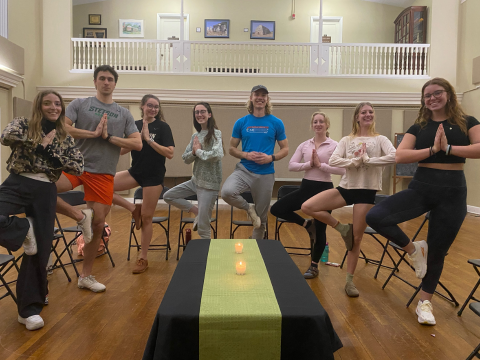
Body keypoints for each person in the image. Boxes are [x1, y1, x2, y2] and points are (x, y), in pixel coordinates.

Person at [366, 78, 480, 325]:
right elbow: (401, 155)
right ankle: (414, 249)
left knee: (438, 251)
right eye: (427, 95)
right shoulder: (419, 126)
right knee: (376, 216)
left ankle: (424, 303)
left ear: (448, 94)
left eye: (437, 93)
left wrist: (448, 148)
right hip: (422, 187)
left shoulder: (467, 122)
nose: (432, 98)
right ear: (423, 100)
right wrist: (432, 150)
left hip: (453, 191)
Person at [0, 90, 84, 330]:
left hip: (46, 189)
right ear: (39, 105)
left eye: (58, 104)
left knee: (39, 252)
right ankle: (24, 229)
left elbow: (78, 166)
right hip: (17, 182)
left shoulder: (64, 136)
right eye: (48, 103)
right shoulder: (23, 124)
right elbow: (6, 137)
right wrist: (37, 144)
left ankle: (28, 311)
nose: (53, 107)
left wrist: (48, 152)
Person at [56, 65, 142, 292]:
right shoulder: (80, 104)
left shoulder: (123, 113)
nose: (106, 82)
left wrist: (109, 137)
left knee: (97, 224)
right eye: (102, 78)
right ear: (95, 81)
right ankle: (76, 215)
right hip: (75, 166)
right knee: (42, 187)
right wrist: (92, 134)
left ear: (115, 84)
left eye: (110, 79)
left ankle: (86, 275)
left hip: (103, 173)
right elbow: (63, 128)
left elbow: (137, 143)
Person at [301, 102, 395, 296]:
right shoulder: (346, 140)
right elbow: (334, 160)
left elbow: (394, 156)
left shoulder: (381, 139)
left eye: (370, 112)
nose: (367, 115)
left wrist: (369, 160)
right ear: (357, 117)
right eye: (363, 112)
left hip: (366, 192)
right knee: (308, 206)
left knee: (356, 239)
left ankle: (349, 282)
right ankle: (341, 227)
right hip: (346, 188)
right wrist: (354, 161)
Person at [270, 112, 345, 279]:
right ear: (312, 125)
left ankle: (314, 266)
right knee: (277, 208)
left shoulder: (335, 145)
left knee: (320, 229)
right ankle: (306, 224)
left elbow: (343, 170)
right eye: (315, 122)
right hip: (307, 187)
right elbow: (291, 165)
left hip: (325, 190)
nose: (318, 124)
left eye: (321, 122)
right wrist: (309, 164)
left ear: (327, 125)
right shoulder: (305, 145)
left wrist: (321, 166)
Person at [111, 94, 174, 274]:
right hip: (135, 172)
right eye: (150, 106)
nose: (153, 109)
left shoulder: (163, 127)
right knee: (102, 185)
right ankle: (132, 208)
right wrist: (136, 140)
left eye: (156, 106)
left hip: (154, 177)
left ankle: (143, 258)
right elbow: (121, 151)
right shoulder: (134, 125)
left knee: (147, 218)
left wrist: (148, 139)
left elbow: (170, 154)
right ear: (142, 106)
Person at [221, 85, 289, 239]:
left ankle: (255, 247)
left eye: (263, 95)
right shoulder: (241, 122)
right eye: (257, 94)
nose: (260, 97)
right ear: (251, 98)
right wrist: (245, 155)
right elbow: (231, 148)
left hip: (265, 174)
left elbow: (285, 149)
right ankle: (248, 208)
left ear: (267, 99)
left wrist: (271, 158)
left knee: (261, 219)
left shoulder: (276, 123)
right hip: (244, 170)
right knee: (226, 192)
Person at [164, 102, 223, 239]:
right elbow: (185, 158)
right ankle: (197, 211)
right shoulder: (195, 136)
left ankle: (206, 256)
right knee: (168, 196)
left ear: (209, 114)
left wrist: (199, 151)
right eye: (197, 112)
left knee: (203, 227)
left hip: (209, 185)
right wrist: (194, 153)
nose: (199, 114)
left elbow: (217, 155)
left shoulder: (216, 134)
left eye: (202, 111)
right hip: (195, 181)